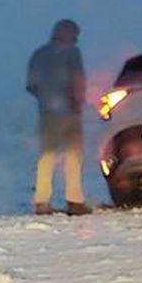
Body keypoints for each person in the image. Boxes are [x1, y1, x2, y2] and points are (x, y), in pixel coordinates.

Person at [26, 18, 90, 215]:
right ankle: (74, 200)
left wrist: (46, 98)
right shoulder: (72, 53)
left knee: (47, 157)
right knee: (73, 156)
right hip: (69, 110)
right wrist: (77, 102)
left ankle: (42, 202)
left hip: (47, 112)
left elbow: (31, 85)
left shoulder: (38, 54)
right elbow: (78, 78)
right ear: (68, 34)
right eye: (74, 36)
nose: (76, 40)